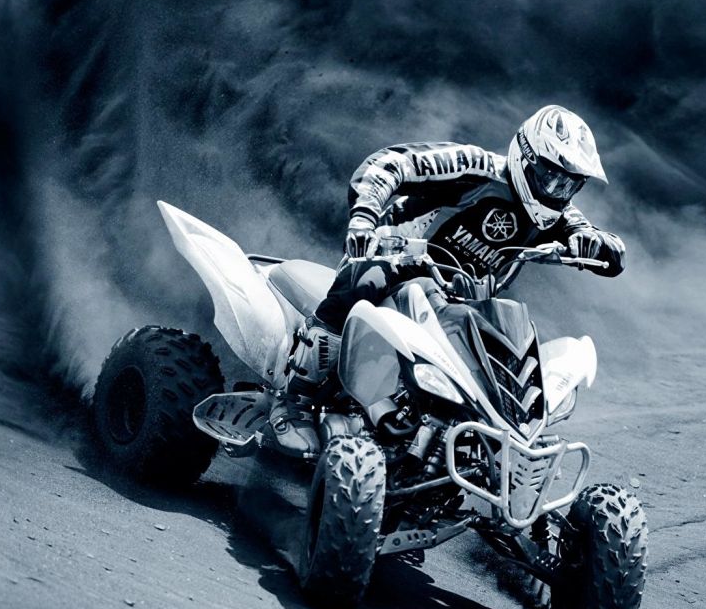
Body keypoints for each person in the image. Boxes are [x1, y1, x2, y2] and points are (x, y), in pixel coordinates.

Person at [269, 105, 627, 456]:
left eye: (569, 185)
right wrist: (364, 218)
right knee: (366, 280)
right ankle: (294, 400)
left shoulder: (560, 215)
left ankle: (491, 450)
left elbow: (614, 255)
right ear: (526, 157)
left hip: (459, 303)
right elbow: (388, 163)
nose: (556, 191)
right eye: (550, 176)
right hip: (394, 268)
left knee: (506, 339)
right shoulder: (475, 168)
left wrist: (594, 243)